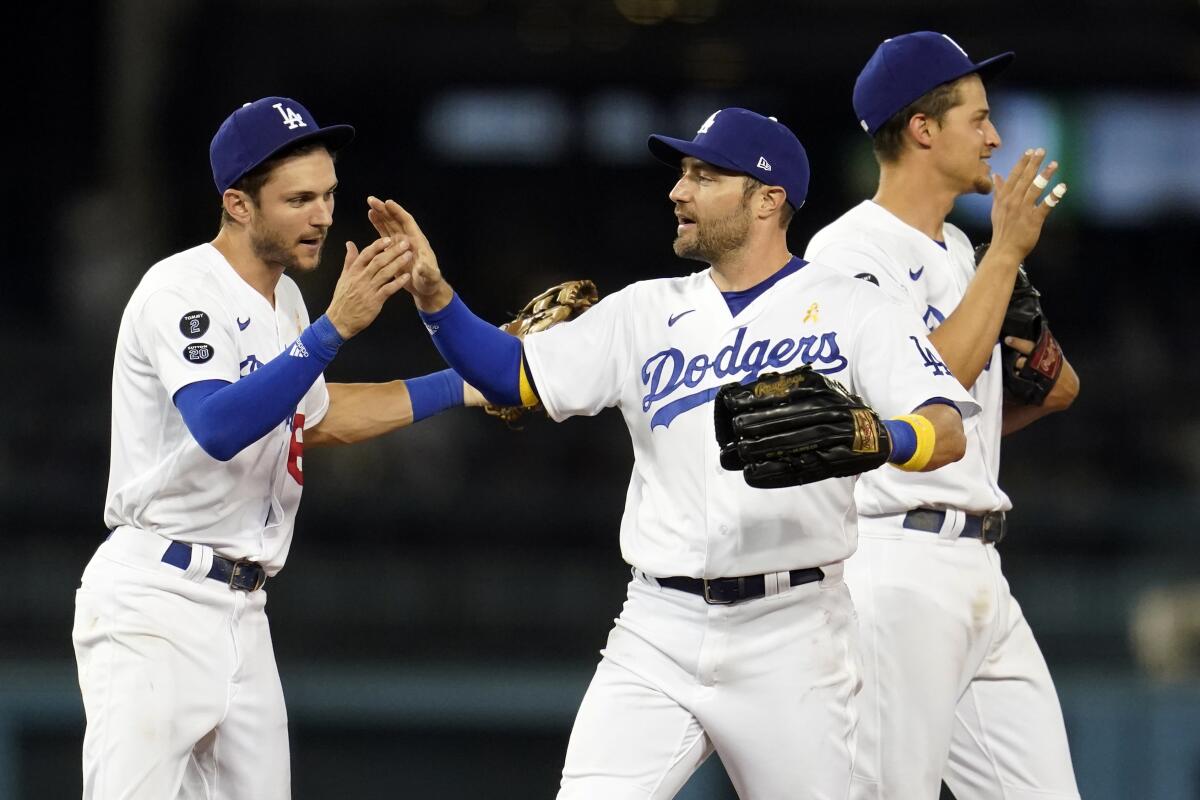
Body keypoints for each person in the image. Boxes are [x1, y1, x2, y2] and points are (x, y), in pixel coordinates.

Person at [368, 108, 980, 799]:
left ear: (767, 199)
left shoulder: (853, 308)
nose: (677, 192)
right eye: (682, 174)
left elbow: (947, 428)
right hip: (658, 626)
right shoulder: (645, 311)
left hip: (794, 632)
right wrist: (436, 297)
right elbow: (511, 375)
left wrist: (882, 437)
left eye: (703, 175)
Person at [71, 96, 479, 799]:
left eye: (327, 195)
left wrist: (471, 384)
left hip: (244, 607)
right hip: (156, 599)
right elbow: (219, 426)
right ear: (238, 203)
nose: (322, 215)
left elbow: (318, 417)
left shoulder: (285, 301)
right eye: (298, 199)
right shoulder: (180, 288)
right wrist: (332, 331)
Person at [804, 31, 1082, 799]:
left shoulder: (960, 248)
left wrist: (1009, 293)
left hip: (979, 562)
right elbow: (914, 400)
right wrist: (1007, 256)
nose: (995, 136)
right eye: (978, 117)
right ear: (922, 129)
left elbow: (1054, 392)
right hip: (896, 566)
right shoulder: (848, 254)